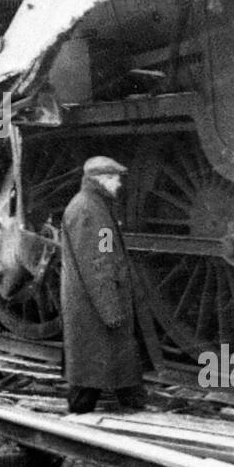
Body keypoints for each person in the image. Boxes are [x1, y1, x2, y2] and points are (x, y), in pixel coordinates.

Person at [59, 155, 161, 414]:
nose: (118, 184)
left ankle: (131, 404)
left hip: (95, 302)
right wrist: (110, 308)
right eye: (114, 178)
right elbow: (98, 263)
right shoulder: (89, 211)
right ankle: (81, 418)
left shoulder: (93, 206)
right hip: (95, 304)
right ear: (99, 180)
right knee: (91, 367)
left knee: (109, 360)